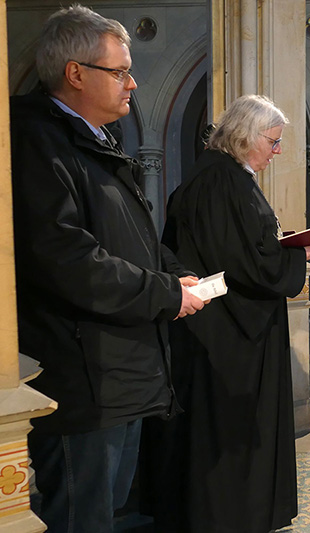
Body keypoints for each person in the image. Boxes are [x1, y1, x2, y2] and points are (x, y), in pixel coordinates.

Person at [9, 6, 206, 531]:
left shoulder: (94, 143)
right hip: (81, 377)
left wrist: (173, 276)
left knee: (105, 511)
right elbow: (69, 261)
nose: (132, 83)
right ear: (75, 73)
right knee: (79, 517)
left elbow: (133, 240)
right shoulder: (36, 144)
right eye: (119, 71)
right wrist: (164, 295)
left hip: (118, 370)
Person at [144, 94, 310, 532]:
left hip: (219, 325)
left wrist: (289, 250)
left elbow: (244, 247)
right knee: (224, 429)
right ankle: (228, 515)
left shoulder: (218, 177)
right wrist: (296, 259)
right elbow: (246, 260)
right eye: (273, 141)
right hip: (227, 333)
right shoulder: (224, 182)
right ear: (246, 137)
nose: (278, 151)